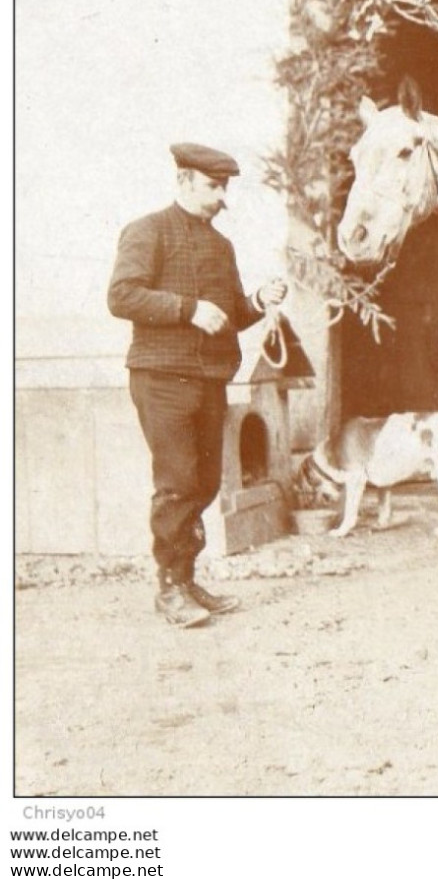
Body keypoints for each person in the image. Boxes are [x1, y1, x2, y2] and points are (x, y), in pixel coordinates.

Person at [108, 143, 288, 628]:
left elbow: (228, 315)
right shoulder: (148, 231)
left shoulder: (220, 245)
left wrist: (256, 300)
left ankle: (187, 580)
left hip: (210, 380)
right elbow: (122, 296)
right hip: (162, 379)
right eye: (212, 186)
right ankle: (169, 589)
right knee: (177, 482)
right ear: (184, 180)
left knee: (205, 482)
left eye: (225, 186)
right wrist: (187, 310)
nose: (221, 196)